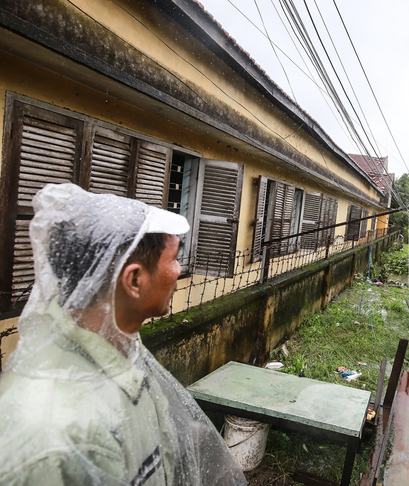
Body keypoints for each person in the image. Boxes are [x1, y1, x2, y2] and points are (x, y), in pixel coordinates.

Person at [0, 183, 247, 485]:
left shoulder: (121, 349)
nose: (180, 270)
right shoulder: (52, 435)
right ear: (134, 280)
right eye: (173, 257)